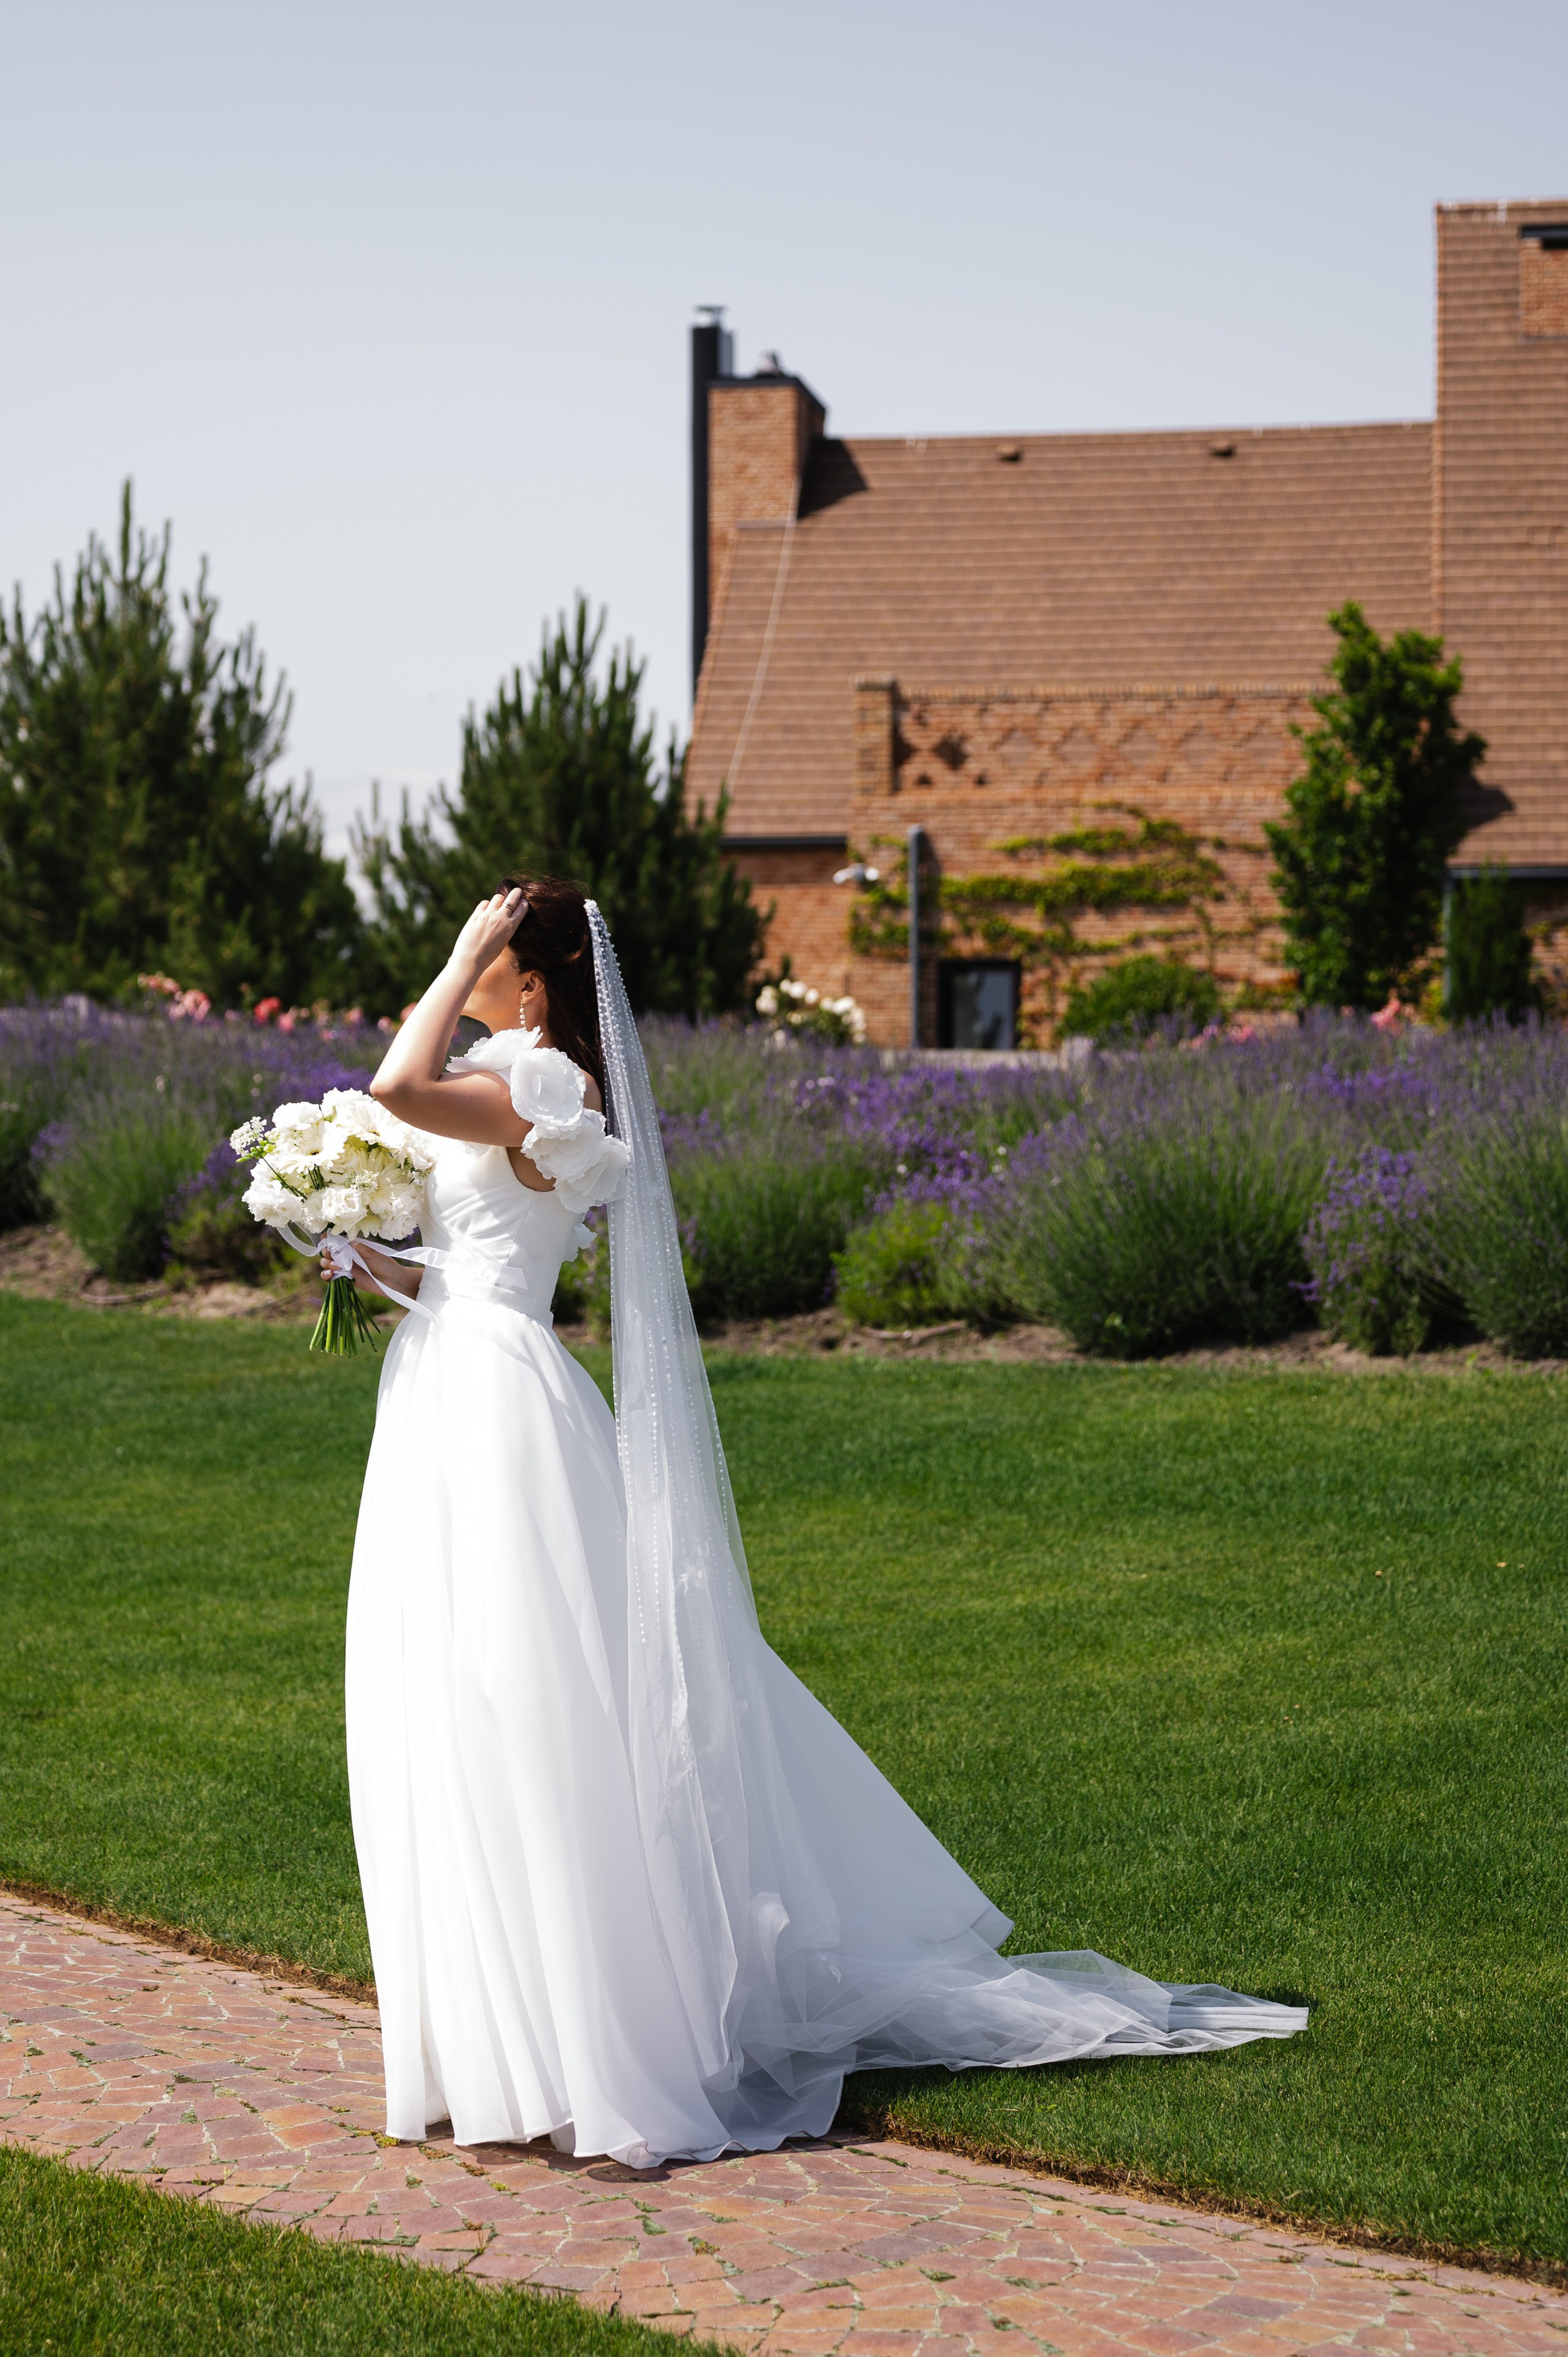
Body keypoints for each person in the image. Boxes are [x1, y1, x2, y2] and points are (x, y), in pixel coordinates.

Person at [341, 876, 1306, 2171]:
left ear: (529, 975)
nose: (468, 965)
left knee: (530, 1696)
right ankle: (493, 2044)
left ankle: (587, 2040)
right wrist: (354, 1254)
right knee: (455, 1698)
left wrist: (456, 958)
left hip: (499, 1409)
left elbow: (395, 1087)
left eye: (491, 949)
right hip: (447, 1385)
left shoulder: (546, 1087)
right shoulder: (517, 1080)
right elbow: (462, 1266)